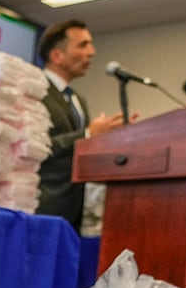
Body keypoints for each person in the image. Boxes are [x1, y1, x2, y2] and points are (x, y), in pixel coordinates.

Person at [35, 20, 125, 230]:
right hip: (44, 207)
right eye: (83, 45)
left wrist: (107, 137)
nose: (92, 52)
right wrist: (87, 133)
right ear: (57, 55)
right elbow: (35, 146)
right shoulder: (36, 90)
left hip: (73, 211)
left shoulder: (77, 99)